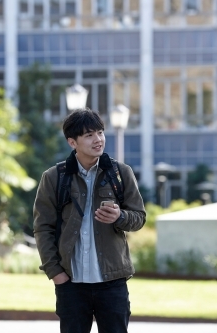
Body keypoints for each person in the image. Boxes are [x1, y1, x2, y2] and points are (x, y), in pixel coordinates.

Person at [33, 108, 146, 333]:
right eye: (89, 135)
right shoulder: (54, 177)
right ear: (72, 142)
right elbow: (42, 227)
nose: (98, 140)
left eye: (101, 132)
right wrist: (55, 272)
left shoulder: (121, 173)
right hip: (71, 284)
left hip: (112, 283)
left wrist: (120, 216)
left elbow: (139, 217)